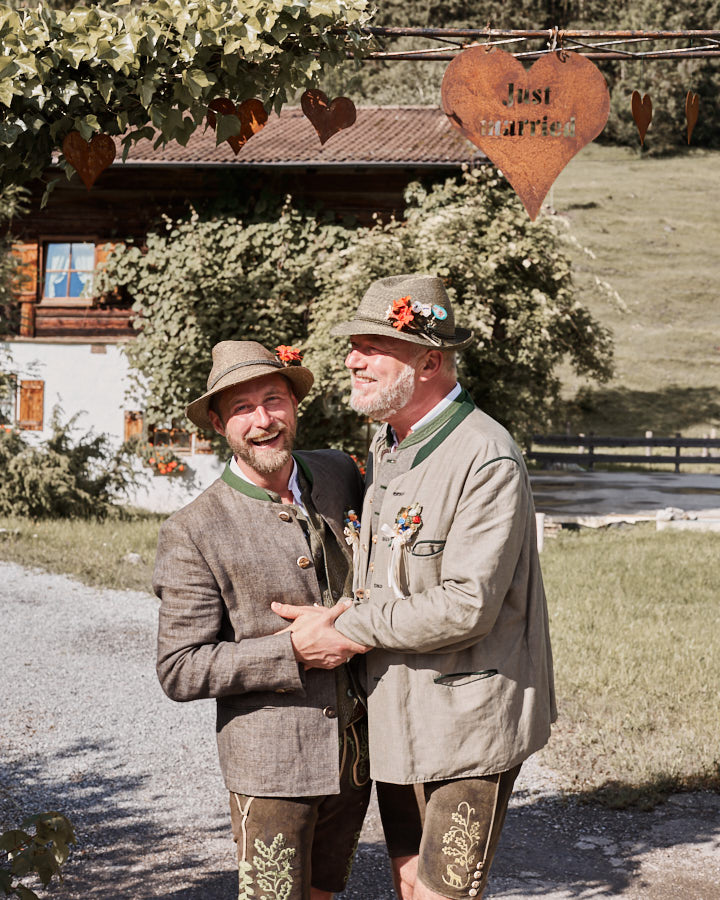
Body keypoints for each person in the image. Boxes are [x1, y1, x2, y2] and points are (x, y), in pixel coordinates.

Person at [272, 274, 557, 900]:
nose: (352, 359)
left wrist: (342, 631)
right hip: (397, 712)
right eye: (354, 344)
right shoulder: (391, 443)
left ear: (429, 360)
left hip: (465, 722)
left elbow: (466, 605)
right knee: (406, 879)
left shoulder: (485, 456)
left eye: (373, 345)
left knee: (442, 892)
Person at [154, 340, 371, 900]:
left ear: (295, 406)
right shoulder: (193, 529)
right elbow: (180, 668)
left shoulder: (340, 472)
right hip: (271, 770)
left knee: (326, 892)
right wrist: (291, 650)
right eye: (242, 409)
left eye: (273, 400)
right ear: (220, 426)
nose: (262, 420)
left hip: (356, 758)